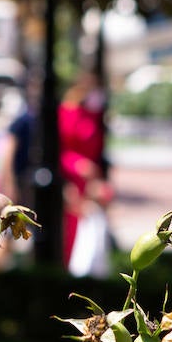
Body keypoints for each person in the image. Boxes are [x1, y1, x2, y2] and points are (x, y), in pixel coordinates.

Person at [58, 72, 113, 274]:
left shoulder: (94, 115)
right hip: (73, 179)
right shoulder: (67, 111)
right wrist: (78, 166)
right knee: (71, 234)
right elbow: (61, 149)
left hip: (89, 182)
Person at [0, 88, 35, 272]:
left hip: (20, 185)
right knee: (7, 236)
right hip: (17, 186)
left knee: (10, 237)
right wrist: (9, 186)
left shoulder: (29, 119)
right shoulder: (23, 120)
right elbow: (7, 154)